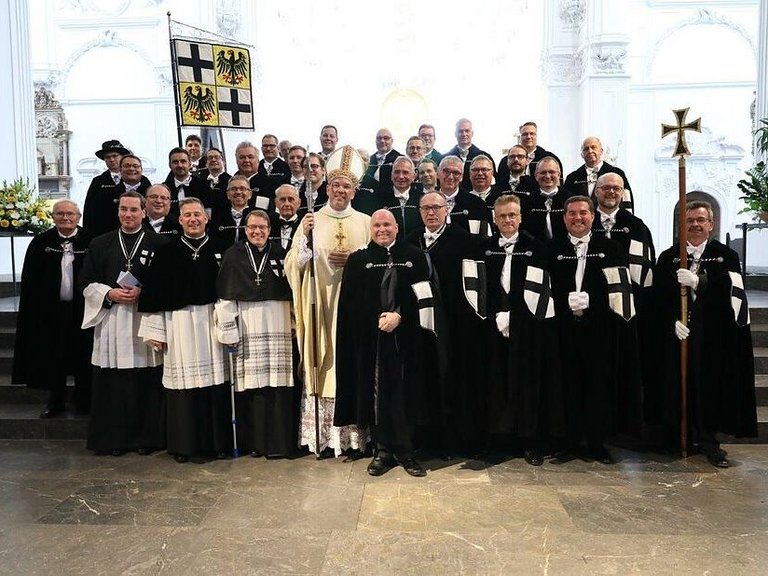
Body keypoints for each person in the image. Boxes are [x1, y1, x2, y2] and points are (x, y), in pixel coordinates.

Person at [653, 200, 757, 467]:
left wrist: (701, 281)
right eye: (690, 221)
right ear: (682, 226)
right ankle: (678, 438)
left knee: (710, 387)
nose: (695, 225)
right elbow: (657, 299)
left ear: (711, 224)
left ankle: (709, 441)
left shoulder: (725, 255)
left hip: (713, 337)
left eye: (701, 220)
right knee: (677, 385)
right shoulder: (669, 257)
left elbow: (732, 293)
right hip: (678, 335)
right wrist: (671, 322)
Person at [285, 145, 371, 457]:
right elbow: (293, 264)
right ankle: (322, 436)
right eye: (335, 185)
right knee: (324, 366)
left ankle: (353, 437)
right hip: (320, 305)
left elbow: (376, 262)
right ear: (327, 186)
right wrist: (304, 246)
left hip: (354, 308)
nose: (340, 190)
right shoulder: (311, 220)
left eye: (346, 185)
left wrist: (354, 260)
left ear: (354, 190)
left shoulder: (366, 221)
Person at [335, 210, 432, 477]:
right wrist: (375, 320)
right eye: (376, 225)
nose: (381, 229)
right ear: (371, 228)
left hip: (407, 339)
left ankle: (406, 451)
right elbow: (349, 306)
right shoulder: (358, 260)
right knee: (377, 395)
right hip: (372, 341)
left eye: (386, 224)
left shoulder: (414, 256)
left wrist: (400, 315)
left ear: (396, 227)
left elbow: (424, 296)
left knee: (403, 393)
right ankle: (382, 451)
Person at [548, 195, 640, 464]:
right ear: (564, 217)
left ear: (593, 216)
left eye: (583, 213)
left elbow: (621, 292)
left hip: (598, 331)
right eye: (572, 213)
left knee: (597, 387)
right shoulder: (552, 248)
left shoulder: (610, 249)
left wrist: (595, 302)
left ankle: (597, 443)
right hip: (563, 330)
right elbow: (542, 290)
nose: (578, 218)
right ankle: (569, 441)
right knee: (567, 387)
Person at [138, 198, 231, 463]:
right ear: (179, 220)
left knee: (216, 382)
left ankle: (217, 443)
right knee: (183, 386)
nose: (192, 219)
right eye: (187, 215)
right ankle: (184, 445)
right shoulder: (167, 252)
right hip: (178, 323)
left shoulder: (221, 249)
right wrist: (156, 332)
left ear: (206, 218)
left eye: (197, 215)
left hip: (212, 323)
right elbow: (154, 294)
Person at [79, 191, 168, 456]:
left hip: (145, 319)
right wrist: (109, 293)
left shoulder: (159, 244)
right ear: (118, 213)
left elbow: (170, 284)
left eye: (133, 210)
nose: (128, 215)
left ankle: (146, 439)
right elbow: (85, 282)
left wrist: (146, 291)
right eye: (124, 210)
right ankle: (114, 440)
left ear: (144, 212)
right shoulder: (100, 243)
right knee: (114, 384)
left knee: (145, 383)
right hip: (112, 321)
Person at [482, 195, 564, 465]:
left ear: (520, 217)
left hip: (527, 330)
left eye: (512, 215)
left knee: (527, 384)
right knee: (496, 383)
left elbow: (541, 293)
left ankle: (530, 442)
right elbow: (480, 287)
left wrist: (515, 316)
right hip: (492, 329)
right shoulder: (484, 249)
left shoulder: (536, 247)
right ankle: (498, 439)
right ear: (494, 219)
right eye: (502, 216)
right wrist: (496, 314)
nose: (507, 220)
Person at [407, 191, 488, 457]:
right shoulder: (410, 242)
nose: (431, 213)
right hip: (422, 327)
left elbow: (476, 285)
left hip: (457, 326)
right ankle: (427, 439)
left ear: (447, 210)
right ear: (419, 212)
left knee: (454, 380)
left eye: (436, 208)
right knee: (425, 380)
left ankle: (456, 440)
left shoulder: (465, 242)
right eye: (426, 208)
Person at [12, 199, 93, 418]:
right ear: (53, 217)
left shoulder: (90, 240)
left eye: (70, 214)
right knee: (54, 355)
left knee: (83, 354)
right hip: (52, 311)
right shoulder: (41, 242)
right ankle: (56, 400)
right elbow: (31, 280)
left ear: (78, 216)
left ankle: (83, 399)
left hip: (83, 309)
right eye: (60, 214)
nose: (65, 217)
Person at [83, 145, 151, 238]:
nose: (111, 159)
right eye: (108, 157)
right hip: (105, 232)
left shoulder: (142, 181)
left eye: (115, 156)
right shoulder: (98, 182)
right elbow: (89, 210)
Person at [564, 136, 634, 212]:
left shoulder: (617, 174)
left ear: (601, 151)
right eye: (586, 149)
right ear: (582, 154)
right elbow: (566, 205)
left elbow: (627, 201)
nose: (590, 151)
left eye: (593, 147)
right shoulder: (572, 178)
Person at [437, 155, 492, 238]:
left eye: (456, 173)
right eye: (446, 171)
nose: (450, 177)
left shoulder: (477, 204)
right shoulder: (425, 201)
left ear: (462, 177)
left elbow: (483, 239)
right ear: (438, 173)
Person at [521, 156, 569, 243]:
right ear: (536, 176)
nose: (547, 176)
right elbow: (523, 230)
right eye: (543, 172)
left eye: (551, 172)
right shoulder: (526, 201)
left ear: (559, 175)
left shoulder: (570, 199)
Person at [442, 118, 495, 191]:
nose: (464, 134)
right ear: (455, 134)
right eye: (460, 131)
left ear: (472, 133)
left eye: (467, 131)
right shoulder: (445, 158)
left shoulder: (485, 156)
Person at [380, 156, 424, 238]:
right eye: (397, 172)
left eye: (405, 172)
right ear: (391, 175)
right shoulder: (380, 198)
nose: (401, 176)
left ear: (414, 176)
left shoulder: (422, 199)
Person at [162, 147, 210, 215]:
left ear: (190, 164)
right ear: (170, 165)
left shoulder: (203, 186)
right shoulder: (163, 189)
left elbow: (208, 214)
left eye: (183, 161)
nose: (179, 165)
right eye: (175, 162)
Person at [209, 175, 252, 246]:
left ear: (250, 194)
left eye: (242, 188)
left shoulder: (258, 216)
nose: (238, 192)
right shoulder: (217, 218)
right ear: (228, 195)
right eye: (234, 189)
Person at [233, 141, 271, 211]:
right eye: (242, 157)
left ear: (258, 160)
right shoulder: (229, 184)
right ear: (236, 160)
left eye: (250, 157)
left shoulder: (270, 184)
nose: (246, 160)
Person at [254, 134, 291, 199]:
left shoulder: (287, 168)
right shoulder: (255, 167)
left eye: (272, 146)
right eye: (265, 146)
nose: (268, 149)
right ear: (261, 148)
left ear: (278, 148)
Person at [270, 184, 301, 250]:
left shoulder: (305, 226)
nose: (287, 204)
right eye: (282, 199)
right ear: (276, 203)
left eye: (291, 199)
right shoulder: (269, 225)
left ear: (299, 203)